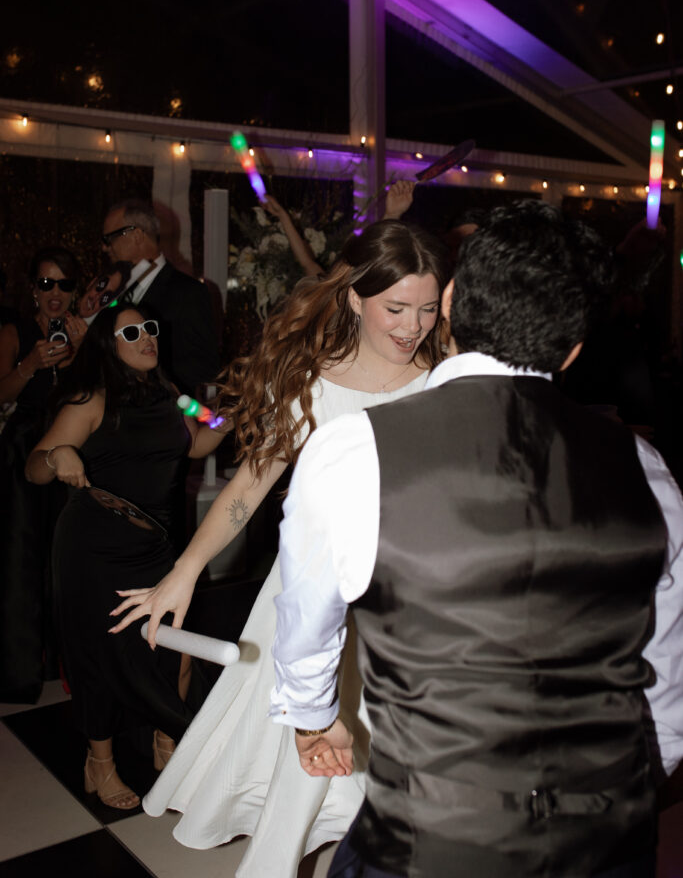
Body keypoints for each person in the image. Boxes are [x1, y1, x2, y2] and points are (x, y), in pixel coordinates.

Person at [270, 200, 683, 878]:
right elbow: (664, 672)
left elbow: (308, 620)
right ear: (573, 345)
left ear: (452, 302)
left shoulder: (355, 452)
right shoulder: (647, 471)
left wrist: (313, 717)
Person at [110, 219, 451, 875]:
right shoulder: (310, 381)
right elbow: (247, 488)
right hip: (315, 596)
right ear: (355, 297)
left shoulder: (445, 380)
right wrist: (183, 570)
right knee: (306, 763)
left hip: (413, 600)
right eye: (396, 308)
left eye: (427, 308)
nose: (413, 325)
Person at [25, 305, 226, 810]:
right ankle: (100, 763)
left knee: (171, 648)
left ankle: (165, 742)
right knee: (100, 657)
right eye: (131, 332)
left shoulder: (175, 396)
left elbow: (205, 436)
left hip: (155, 546)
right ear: (108, 344)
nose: (146, 338)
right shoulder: (92, 399)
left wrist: (239, 413)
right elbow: (34, 468)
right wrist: (57, 456)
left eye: (150, 328)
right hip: (93, 549)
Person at [0, 246, 87, 703]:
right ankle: (19, 668)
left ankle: (65, 663)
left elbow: (90, 394)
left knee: (66, 555)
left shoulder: (80, 333)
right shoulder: (15, 331)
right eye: (46, 283)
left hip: (69, 448)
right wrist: (31, 365)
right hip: (21, 454)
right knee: (21, 557)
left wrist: (78, 355)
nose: (55, 293)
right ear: (33, 289)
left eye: (64, 284)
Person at [101, 199, 219, 394]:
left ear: (137, 235)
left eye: (109, 238)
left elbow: (203, 366)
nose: (105, 248)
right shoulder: (116, 291)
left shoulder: (187, 291)